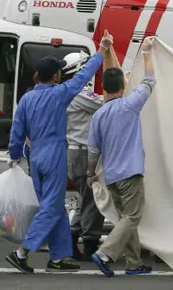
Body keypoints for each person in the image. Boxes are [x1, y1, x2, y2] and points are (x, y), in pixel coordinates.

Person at [5, 31, 112, 274]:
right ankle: (21, 253)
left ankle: (59, 257)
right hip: (54, 153)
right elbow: (83, 75)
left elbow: (17, 131)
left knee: (55, 206)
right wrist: (102, 51)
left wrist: (13, 155)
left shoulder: (26, 98)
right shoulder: (59, 93)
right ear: (55, 76)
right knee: (52, 207)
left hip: (34, 156)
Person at [87, 37, 156, 277]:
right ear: (122, 86)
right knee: (133, 216)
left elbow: (93, 151)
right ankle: (105, 252)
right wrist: (146, 52)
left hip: (111, 175)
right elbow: (150, 81)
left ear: (104, 88)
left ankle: (134, 263)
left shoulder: (98, 115)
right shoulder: (129, 105)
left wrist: (90, 174)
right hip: (130, 171)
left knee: (125, 219)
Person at [62, 49, 118, 259]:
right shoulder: (79, 94)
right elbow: (108, 102)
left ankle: (73, 236)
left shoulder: (68, 91)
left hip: (77, 153)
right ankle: (89, 242)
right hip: (83, 154)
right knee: (94, 200)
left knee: (88, 199)